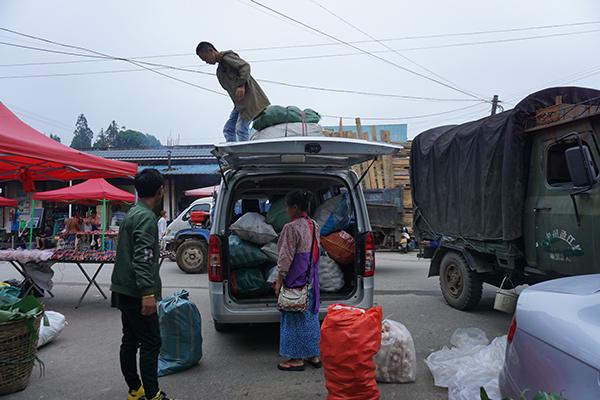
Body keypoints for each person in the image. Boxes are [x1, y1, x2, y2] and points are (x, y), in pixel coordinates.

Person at [110, 169, 175, 400]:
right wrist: (148, 293)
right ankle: (152, 394)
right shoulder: (146, 218)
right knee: (151, 342)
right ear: (160, 191)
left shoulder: (133, 213)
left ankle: (135, 389)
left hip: (123, 288)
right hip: (137, 291)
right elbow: (144, 256)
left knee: (129, 340)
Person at [274, 190, 321, 371]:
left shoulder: (290, 228)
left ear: (294, 207)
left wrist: (279, 280)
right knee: (310, 316)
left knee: (293, 317)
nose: (286, 211)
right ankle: (314, 356)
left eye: (287, 207)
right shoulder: (314, 225)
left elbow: (285, 258)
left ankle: (296, 359)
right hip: (311, 279)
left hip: (296, 279)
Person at [196, 41, 270, 142]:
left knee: (241, 129)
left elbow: (245, 66)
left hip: (248, 100)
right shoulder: (220, 71)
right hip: (239, 104)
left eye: (205, 58)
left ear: (211, 51)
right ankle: (234, 153)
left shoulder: (227, 58)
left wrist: (241, 85)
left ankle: (245, 154)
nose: (206, 62)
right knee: (228, 129)